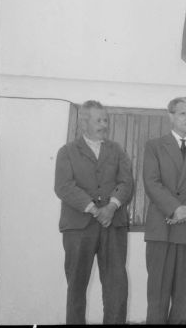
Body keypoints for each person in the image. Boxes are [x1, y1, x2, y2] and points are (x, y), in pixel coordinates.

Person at [54, 100, 133, 324]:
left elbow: (126, 182)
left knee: (117, 286)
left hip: (113, 225)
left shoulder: (117, 150)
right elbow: (63, 186)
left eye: (105, 119)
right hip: (78, 227)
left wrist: (111, 206)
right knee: (76, 286)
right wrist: (93, 209)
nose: (104, 124)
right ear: (83, 122)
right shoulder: (67, 152)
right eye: (98, 120)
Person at [143, 97, 186, 324]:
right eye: (183, 114)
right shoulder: (154, 146)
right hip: (162, 227)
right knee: (158, 293)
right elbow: (151, 182)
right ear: (170, 116)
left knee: (183, 293)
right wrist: (174, 209)